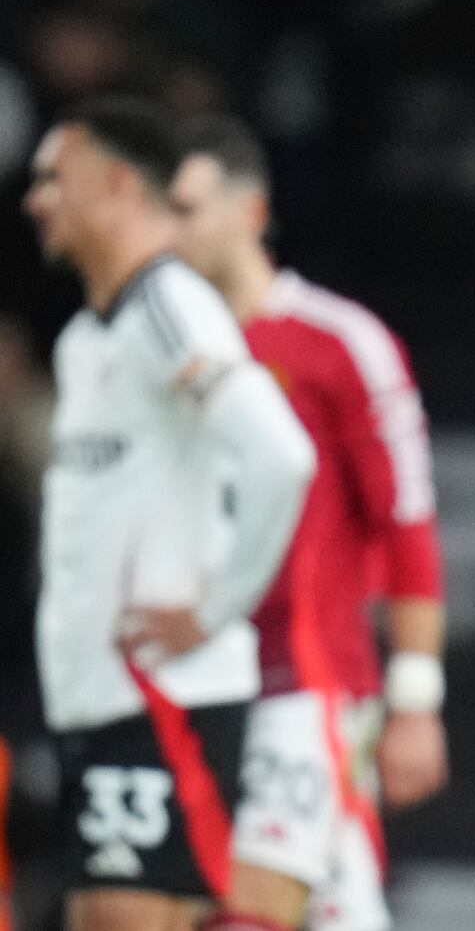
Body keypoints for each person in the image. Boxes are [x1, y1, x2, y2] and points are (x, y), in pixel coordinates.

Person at [23, 96, 315, 931]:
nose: (35, 197)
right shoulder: (89, 338)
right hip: (103, 703)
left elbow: (281, 456)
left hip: (157, 702)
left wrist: (217, 606)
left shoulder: (167, 309)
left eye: (54, 178)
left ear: (116, 185)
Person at [168, 113, 449, 931]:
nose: (168, 231)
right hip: (193, 684)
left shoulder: (337, 342)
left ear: (250, 213)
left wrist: (415, 699)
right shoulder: (159, 359)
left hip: (309, 682)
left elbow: (407, 526)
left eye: (187, 208)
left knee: (245, 913)